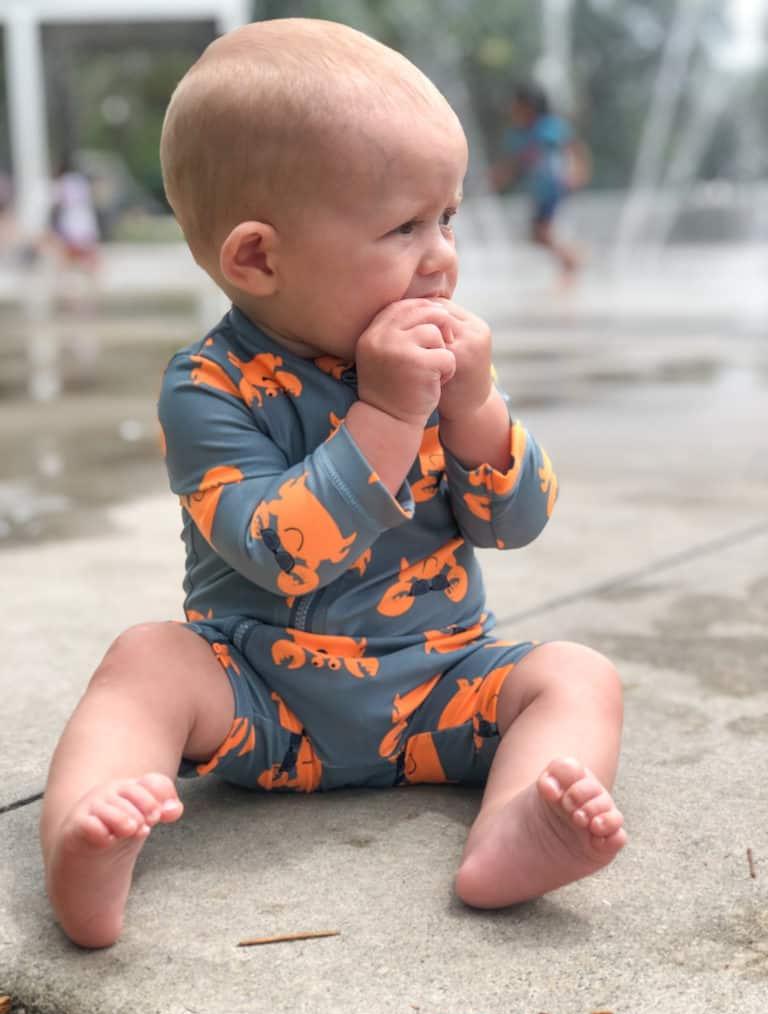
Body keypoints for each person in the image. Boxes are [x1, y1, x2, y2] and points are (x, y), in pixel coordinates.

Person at [39, 19, 626, 949]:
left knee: (576, 675)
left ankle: (518, 825)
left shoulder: (432, 358)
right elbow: (279, 553)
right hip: (262, 695)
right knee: (146, 662)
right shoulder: (209, 388)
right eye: (402, 227)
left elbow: (514, 523)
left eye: (448, 218)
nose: (441, 257)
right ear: (259, 259)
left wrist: (473, 408)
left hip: (441, 692)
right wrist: (391, 418)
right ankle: (92, 831)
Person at [491, 83, 590, 277]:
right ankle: (571, 263)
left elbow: (574, 148)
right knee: (538, 234)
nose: (512, 110)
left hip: (554, 187)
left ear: (529, 107)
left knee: (542, 232)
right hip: (540, 191)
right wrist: (495, 179)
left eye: (516, 106)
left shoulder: (549, 127)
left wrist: (578, 171)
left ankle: (574, 261)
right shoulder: (519, 135)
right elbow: (513, 165)